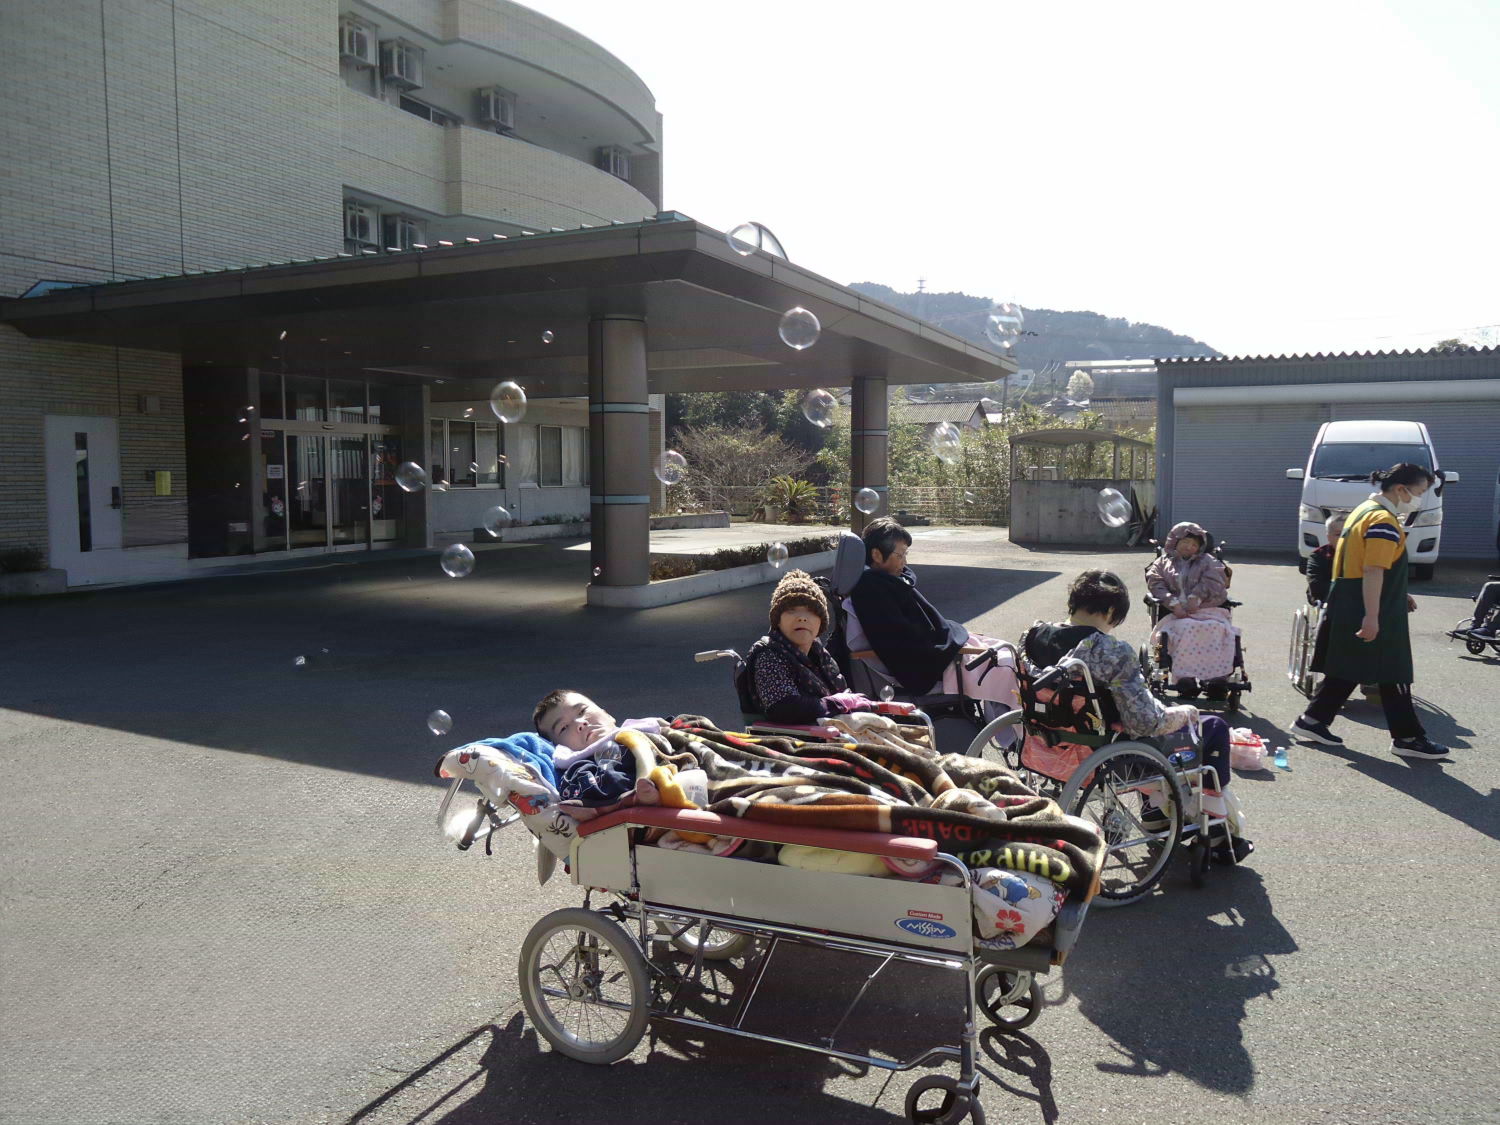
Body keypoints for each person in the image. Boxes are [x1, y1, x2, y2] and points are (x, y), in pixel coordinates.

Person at [1024, 569, 1251, 863]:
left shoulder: (1033, 637)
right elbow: (1145, 722)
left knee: (1136, 732)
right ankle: (1216, 830)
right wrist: (1186, 713)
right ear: (1110, 611)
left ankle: (1156, 814)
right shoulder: (1110, 650)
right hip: (1106, 753)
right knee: (1214, 727)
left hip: (1049, 745)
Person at [1292, 463, 1449, 759]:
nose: (1420, 499)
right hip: (1372, 605)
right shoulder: (1383, 521)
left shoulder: (1363, 510)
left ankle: (1312, 721)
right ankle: (1408, 738)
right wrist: (1372, 616)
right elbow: (1373, 569)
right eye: (1419, 492)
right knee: (1393, 668)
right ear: (1401, 489)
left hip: (1351, 600)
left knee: (1353, 665)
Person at [848, 517, 966, 694]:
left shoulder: (888, 582)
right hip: (931, 670)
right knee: (1002, 663)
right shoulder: (872, 590)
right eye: (900, 555)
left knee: (1000, 655)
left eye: (905, 554)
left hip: (940, 655)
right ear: (877, 555)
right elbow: (903, 642)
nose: (905, 563)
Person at [748, 569, 878, 724]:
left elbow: (841, 692)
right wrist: (838, 703)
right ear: (777, 621)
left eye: (811, 611)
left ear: (821, 622)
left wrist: (854, 702)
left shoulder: (819, 652)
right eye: (791, 610)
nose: (802, 618)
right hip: (799, 737)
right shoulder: (769, 655)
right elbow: (783, 707)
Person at [1144, 521, 1237, 697]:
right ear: (1175, 542)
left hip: (1207, 610)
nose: (1189, 547)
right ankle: (1185, 678)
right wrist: (1173, 603)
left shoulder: (1209, 561)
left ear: (1200, 547)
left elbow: (1215, 580)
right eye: (1185, 542)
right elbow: (1155, 583)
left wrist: (1197, 596)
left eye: (1194, 544)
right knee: (1184, 629)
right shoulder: (1162, 563)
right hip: (1176, 614)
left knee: (1219, 629)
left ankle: (1216, 678)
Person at [1306, 513, 1345, 604]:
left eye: (1347, 534)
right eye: (1338, 534)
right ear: (1328, 537)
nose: (1343, 538)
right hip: (1327, 602)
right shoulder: (1318, 556)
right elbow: (1316, 586)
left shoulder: (1360, 555)